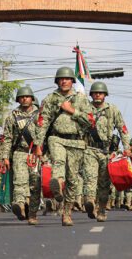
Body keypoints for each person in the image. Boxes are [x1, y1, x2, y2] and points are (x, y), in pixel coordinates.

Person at [34, 67, 94, 226]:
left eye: (67, 79)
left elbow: (90, 121)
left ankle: (66, 213)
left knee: (73, 179)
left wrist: (72, 111)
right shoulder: (50, 99)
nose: (64, 81)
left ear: (72, 81)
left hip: (76, 141)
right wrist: (38, 144)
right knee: (58, 162)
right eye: (61, 79)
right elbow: (42, 122)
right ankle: (57, 183)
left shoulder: (81, 99)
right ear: (57, 81)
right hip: (56, 138)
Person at [82, 81, 130, 222]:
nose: (98, 94)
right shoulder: (85, 109)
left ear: (105, 95)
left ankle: (101, 209)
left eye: (100, 93)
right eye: (95, 92)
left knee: (104, 183)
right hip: (89, 149)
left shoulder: (112, 110)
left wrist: (126, 147)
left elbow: (123, 129)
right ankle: (89, 201)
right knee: (90, 177)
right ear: (91, 95)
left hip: (107, 152)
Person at [0, 87, 42, 225]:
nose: (24, 99)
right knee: (20, 181)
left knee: (35, 184)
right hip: (19, 153)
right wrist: (4, 156)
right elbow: (7, 138)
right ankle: (20, 205)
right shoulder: (13, 116)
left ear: (32, 99)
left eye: (27, 96)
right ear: (18, 99)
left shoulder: (40, 114)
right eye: (22, 97)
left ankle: (33, 213)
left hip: (36, 154)